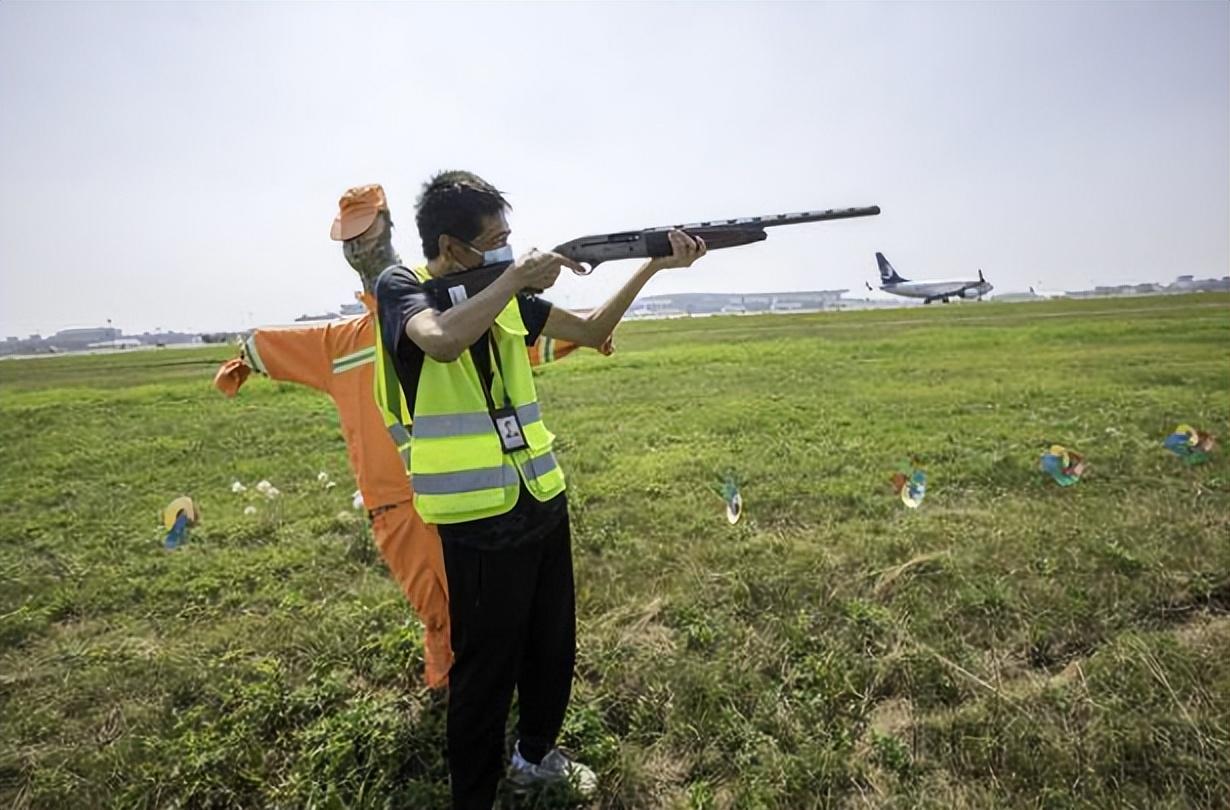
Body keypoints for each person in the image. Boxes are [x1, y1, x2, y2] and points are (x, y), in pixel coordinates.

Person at [373, 170, 706, 808]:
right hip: (476, 513)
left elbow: (588, 330)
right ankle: (473, 795)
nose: (507, 249)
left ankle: (533, 756)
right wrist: (513, 278)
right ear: (451, 247)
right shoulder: (404, 287)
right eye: (494, 241)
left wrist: (653, 268)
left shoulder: (498, 291)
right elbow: (441, 341)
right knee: (484, 670)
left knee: (553, 644)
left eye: (509, 240)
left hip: (539, 497)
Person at [214, 184, 605, 689]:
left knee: (497, 607)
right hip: (398, 504)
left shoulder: (458, 316)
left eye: (369, 238)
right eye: (351, 244)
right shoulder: (339, 343)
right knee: (439, 610)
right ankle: (451, 689)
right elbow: (265, 344)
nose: (360, 250)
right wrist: (240, 361)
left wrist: (586, 332)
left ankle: (499, 695)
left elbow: (524, 337)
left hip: (468, 491)